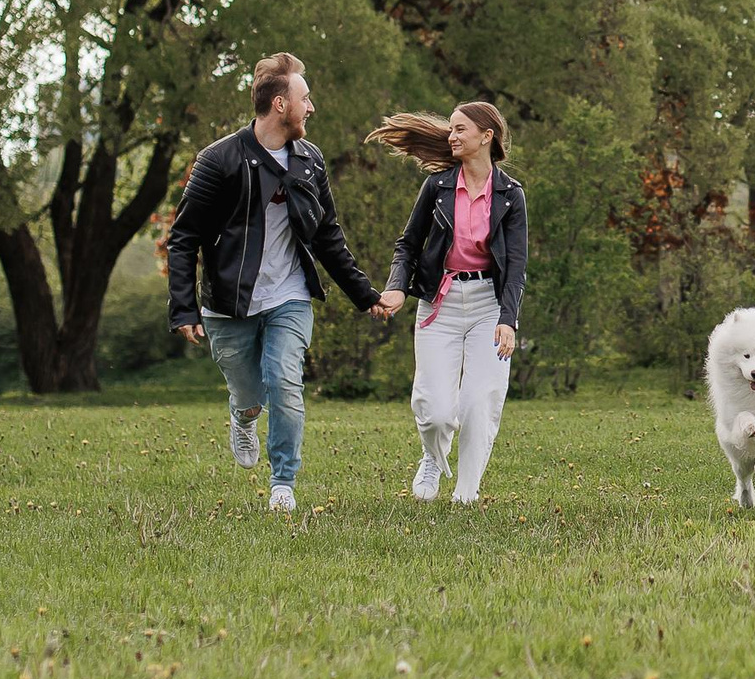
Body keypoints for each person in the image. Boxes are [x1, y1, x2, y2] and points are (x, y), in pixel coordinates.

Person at [167, 53, 387, 513]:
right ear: (281, 104)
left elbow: (328, 236)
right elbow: (184, 238)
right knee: (250, 394)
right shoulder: (219, 161)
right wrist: (183, 308)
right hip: (229, 304)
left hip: (289, 295)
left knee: (285, 381)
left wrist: (364, 294)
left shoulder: (310, 161)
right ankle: (243, 415)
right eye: (306, 99)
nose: (313, 108)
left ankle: (283, 483)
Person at [371, 102, 528, 504]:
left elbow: (516, 266)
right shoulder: (437, 187)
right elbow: (408, 245)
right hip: (438, 302)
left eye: (460, 130)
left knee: (480, 401)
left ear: (486, 136)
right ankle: (431, 456)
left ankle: (466, 491)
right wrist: (397, 288)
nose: (451, 136)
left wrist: (508, 320)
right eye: (450, 130)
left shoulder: (511, 196)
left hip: (488, 306)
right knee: (435, 408)